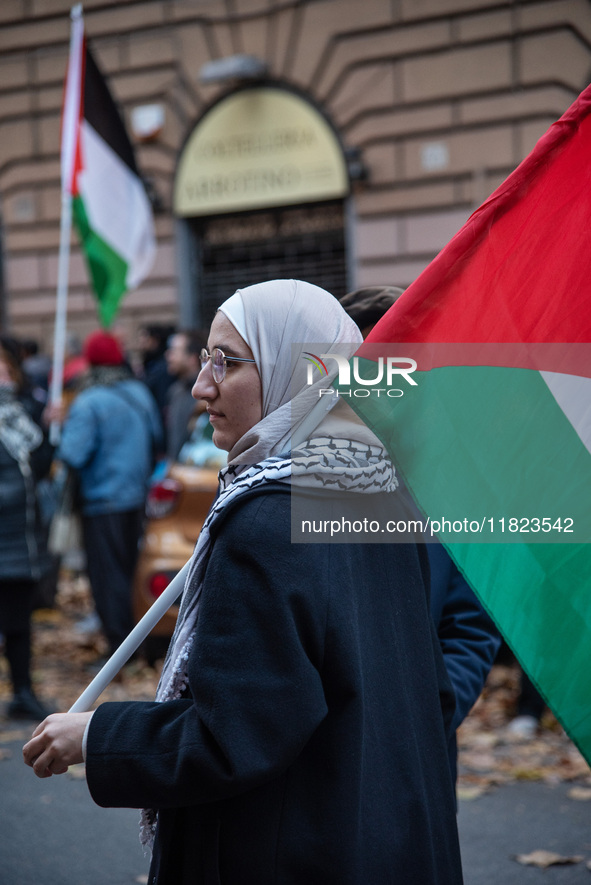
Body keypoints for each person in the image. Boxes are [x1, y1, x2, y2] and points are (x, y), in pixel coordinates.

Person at [24, 281, 464, 884]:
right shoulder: (384, 491)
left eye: (226, 361)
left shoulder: (264, 519)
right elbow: (425, 697)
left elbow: (238, 734)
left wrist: (99, 735)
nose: (203, 385)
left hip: (289, 852)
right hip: (390, 839)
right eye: (204, 359)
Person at [340, 285, 501, 782]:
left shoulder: (459, 486)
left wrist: (428, 717)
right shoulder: (287, 476)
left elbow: (471, 627)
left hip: (413, 760)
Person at [48, 330, 163, 661]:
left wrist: (62, 425)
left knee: (107, 576)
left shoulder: (88, 401)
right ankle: (142, 645)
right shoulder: (139, 392)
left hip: (102, 502)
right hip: (137, 498)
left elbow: (72, 454)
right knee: (132, 571)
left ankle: (119, 652)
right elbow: (156, 437)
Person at [0, 341, 53, 720]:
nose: (2, 377)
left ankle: (22, 691)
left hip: (21, 539)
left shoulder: (22, 416)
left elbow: (38, 468)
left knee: (19, 623)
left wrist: (49, 427)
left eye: (5, 370)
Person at [164, 329, 206, 461]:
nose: (169, 356)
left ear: (192, 358)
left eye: (174, 351)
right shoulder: (175, 391)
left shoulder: (208, 394)